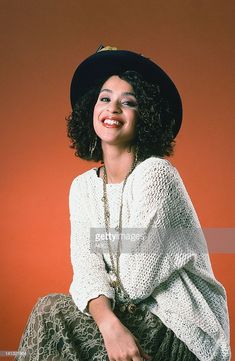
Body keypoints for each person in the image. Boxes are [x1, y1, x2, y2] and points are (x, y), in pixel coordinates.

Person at [15, 45, 230, 361]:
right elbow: (87, 272)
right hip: (126, 317)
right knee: (54, 317)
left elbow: (136, 280)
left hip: (184, 332)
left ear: (145, 118)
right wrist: (108, 323)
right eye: (105, 98)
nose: (112, 108)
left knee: (52, 312)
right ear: (91, 108)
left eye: (128, 103)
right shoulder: (82, 188)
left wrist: (101, 247)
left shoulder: (156, 175)